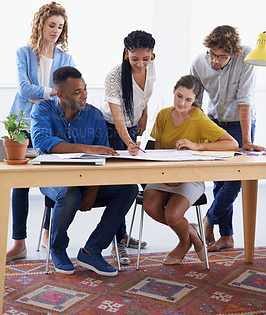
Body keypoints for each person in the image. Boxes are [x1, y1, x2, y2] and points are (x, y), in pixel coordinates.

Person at [31, 66, 138, 276]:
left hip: (89, 180)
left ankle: (92, 250)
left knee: (129, 188)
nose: (84, 95)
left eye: (85, 89)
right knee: (70, 193)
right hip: (54, 180)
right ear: (60, 94)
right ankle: (58, 248)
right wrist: (86, 148)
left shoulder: (94, 115)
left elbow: (103, 155)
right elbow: (42, 141)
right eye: (77, 92)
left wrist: (93, 189)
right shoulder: (43, 110)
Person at [143, 75, 238, 264]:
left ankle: (183, 242)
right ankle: (193, 233)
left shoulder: (198, 118)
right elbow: (158, 151)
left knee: (172, 214)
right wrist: (165, 175)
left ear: (195, 99)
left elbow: (232, 144)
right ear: (174, 91)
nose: (182, 103)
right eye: (179, 96)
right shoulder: (163, 115)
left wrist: (197, 146)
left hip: (190, 177)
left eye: (188, 99)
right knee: (150, 206)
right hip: (165, 174)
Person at [6, 1, 75, 263]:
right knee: (20, 184)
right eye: (51, 25)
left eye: (60, 26)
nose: (56, 30)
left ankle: (47, 235)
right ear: (41, 25)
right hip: (22, 123)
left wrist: (48, 95)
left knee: (52, 177)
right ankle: (19, 243)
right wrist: (51, 92)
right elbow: (24, 89)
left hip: (49, 124)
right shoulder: (24, 53)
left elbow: (67, 94)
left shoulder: (66, 59)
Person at [190, 25, 264, 252]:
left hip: (239, 123)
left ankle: (208, 219)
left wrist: (245, 141)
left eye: (222, 57)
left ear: (232, 53)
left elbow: (244, 99)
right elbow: (196, 103)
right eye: (212, 54)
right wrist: (195, 137)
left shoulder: (247, 57)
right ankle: (227, 237)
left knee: (234, 181)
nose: (215, 60)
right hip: (212, 123)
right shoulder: (199, 63)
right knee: (220, 181)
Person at [101, 30, 156, 264]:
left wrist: (144, 115)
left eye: (146, 58)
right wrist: (129, 142)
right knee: (121, 184)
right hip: (113, 129)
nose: (141, 64)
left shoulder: (151, 66)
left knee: (131, 181)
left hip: (132, 126)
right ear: (127, 53)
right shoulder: (114, 76)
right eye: (135, 59)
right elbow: (118, 117)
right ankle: (118, 242)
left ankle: (121, 235)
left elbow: (145, 95)